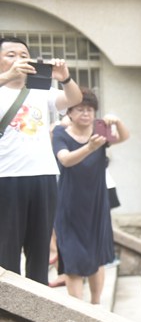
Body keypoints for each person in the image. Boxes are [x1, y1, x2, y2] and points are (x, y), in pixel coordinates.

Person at [0, 36, 82, 284]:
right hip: (6, 178)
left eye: (24, 55)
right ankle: (9, 310)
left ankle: (38, 308)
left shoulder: (39, 89)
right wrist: (7, 76)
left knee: (39, 248)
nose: (19, 60)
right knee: (7, 248)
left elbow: (74, 100)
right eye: (11, 55)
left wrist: (65, 77)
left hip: (43, 177)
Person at [51, 89, 130, 304]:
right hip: (69, 205)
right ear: (69, 112)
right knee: (72, 258)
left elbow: (124, 137)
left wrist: (117, 122)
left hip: (96, 203)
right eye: (80, 109)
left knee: (97, 257)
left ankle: (96, 306)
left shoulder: (99, 130)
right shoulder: (60, 133)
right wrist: (89, 147)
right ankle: (79, 311)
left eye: (90, 110)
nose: (85, 114)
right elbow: (65, 160)